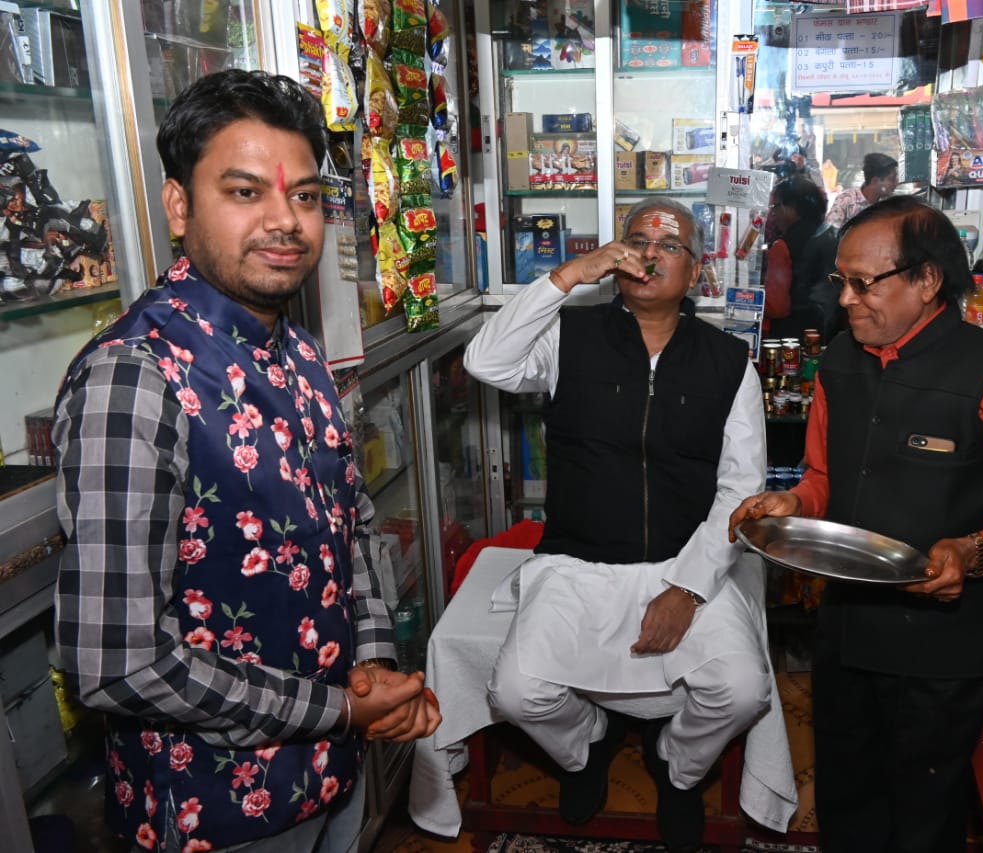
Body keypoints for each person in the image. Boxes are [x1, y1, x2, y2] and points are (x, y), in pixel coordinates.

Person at [53, 69, 440, 852]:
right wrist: (341, 707)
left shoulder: (298, 352)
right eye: (243, 192)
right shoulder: (136, 376)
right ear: (178, 206)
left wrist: (372, 668)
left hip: (334, 772)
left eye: (305, 196)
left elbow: (353, 529)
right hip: (217, 812)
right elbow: (116, 661)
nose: (285, 220)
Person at [730, 196, 983, 852]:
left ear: (926, 280)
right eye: (841, 280)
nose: (845, 299)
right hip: (847, 628)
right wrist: (794, 503)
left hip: (942, 646)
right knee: (847, 798)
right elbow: (823, 478)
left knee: (925, 812)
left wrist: (975, 548)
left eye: (864, 282)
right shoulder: (840, 361)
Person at [465, 198, 771, 853]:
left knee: (743, 690)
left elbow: (741, 490)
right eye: (638, 239)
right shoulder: (568, 338)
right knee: (517, 692)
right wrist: (569, 275)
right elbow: (485, 362)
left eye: (670, 244)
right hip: (578, 560)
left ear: (697, 272)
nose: (651, 252)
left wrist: (688, 587)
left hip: (686, 559)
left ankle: (678, 766)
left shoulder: (728, 362)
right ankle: (587, 745)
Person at [763, 176, 839, 341]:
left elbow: (776, 307)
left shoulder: (782, 246)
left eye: (775, 206)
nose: (773, 213)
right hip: (832, 333)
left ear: (790, 207)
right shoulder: (836, 236)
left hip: (794, 338)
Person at [825, 151, 899, 230]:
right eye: (892, 179)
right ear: (875, 181)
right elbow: (832, 232)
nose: (896, 183)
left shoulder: (890, 204)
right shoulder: (846, 200)